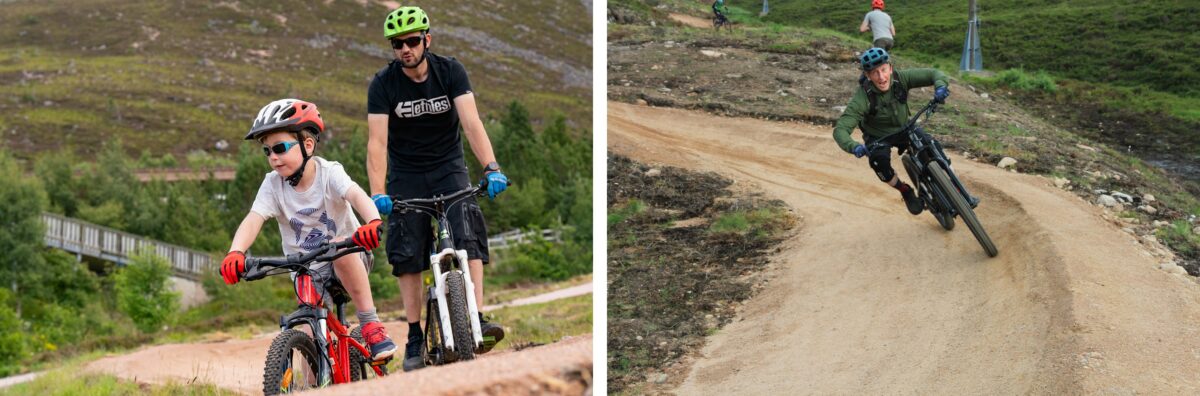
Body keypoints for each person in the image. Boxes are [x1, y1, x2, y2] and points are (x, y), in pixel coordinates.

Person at [366, 6, 509, 372]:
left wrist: (491, 167)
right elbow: (377, 143)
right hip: (406, 175)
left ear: (427, 39)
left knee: (468, 231)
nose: (405, 49)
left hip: (448, 168)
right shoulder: (383, 84)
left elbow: (472, 122)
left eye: (412, 41)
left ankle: (476, 314)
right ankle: (415, 334)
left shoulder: (450, 71)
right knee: (407, 250)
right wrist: (378, 191)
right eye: (398, 44)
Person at [219, 99, 397, 362]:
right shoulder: (272, 185)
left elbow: (357, 195)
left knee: (340, 247)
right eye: (267, 151)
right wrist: (236, 252)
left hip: (351, 259)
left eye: (279, 148)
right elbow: (253, 219)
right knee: (308, 337)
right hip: (306, 269)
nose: (273, 158)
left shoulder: (329, 173)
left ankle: (371, 325)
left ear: (308, 145)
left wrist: (372, 222)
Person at [832, 48, 977, 214]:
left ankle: (955, 190)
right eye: (875, 73)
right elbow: (841, 129)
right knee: (879, 162)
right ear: (867, 75)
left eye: (884, 70)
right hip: (879, 137)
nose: (881, 77)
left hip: (905, 127)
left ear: (890, 68)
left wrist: (940, 88)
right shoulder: (862, 98)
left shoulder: (901, 78)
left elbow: (935, 74)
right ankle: (905, 190)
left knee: (931, 146)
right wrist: (854, 146)